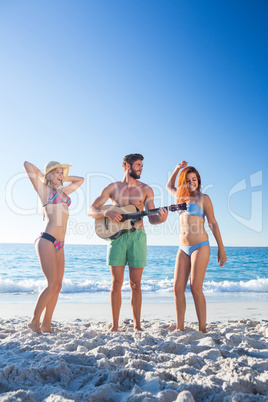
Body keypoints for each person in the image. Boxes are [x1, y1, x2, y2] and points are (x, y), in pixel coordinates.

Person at [88, 153, 168, 331]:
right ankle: (115, 325)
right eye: (138, 165)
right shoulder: (113, 188)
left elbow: (151, 218)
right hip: (116, 238)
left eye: (141, 165)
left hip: (138, 236)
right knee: (116, 282)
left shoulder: (147, 189)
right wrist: (106, 213)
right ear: (127, 166)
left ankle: (137, 326)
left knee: (136, 284)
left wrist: (161, 219)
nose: (141, 168)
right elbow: (91, 210)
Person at [24, 161, 84, 333]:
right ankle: (34, 321)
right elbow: (27, 165)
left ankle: (46, 324)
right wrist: (46, 177)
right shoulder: (44, 191)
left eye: (61, 172)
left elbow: (80, 180)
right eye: (57, 172)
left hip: (60, 244)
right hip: (47, 240)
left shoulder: (62, 192)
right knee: (51, 284)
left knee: (58, 286)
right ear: (49, 174)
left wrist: (62, 177)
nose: (60, 175)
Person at [166, 161, 226, 333]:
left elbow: (213, 223)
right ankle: (180, 327)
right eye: (188, 180)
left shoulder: (203, 198)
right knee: (177, 288)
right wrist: (177, 169)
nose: (192, 183)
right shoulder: (180, 196)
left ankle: (202, 329)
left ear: (198, 181)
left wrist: (221, 248)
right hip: (182, 248)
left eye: (195, 179)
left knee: (195, 287)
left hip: (200, 246)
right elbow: (168, 185)